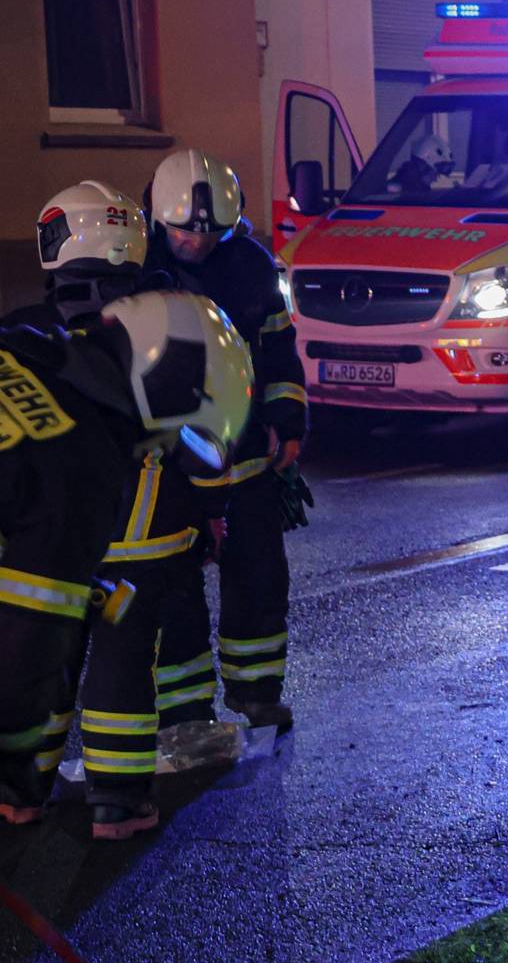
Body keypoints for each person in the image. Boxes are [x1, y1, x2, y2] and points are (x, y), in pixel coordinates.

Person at [0, 273, 253, 832]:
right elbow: (22, 644)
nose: (151, 450)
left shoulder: (23, 350)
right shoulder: (77, 460)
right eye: (163, 437)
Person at [144, 149, 309, 730]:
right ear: (158, 217)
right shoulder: (137, 268)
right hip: (169, 468)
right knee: (171, 588)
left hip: (245, 461)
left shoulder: (253, 267)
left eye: (211, 233)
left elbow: (281, 352)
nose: (197, 243)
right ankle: (184, 707)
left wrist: (287, 423)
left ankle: (256, 691)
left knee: (260, 578)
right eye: (185, 232)